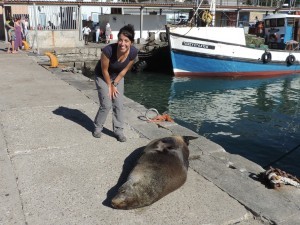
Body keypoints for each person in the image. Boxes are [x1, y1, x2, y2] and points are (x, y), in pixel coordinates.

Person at [93, 24, 138, 142]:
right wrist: (109, 85)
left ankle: (118, 130)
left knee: (118, 104)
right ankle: (98, 127)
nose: (123, 43)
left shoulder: (133, 52)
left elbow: (124, 71)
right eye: (120, 40)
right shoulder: (108, 51)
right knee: (107, 104)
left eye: (126, 41)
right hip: (103, 76)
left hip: (117, 76)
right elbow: (104, 70)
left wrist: (115, 83)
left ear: (131, 42)